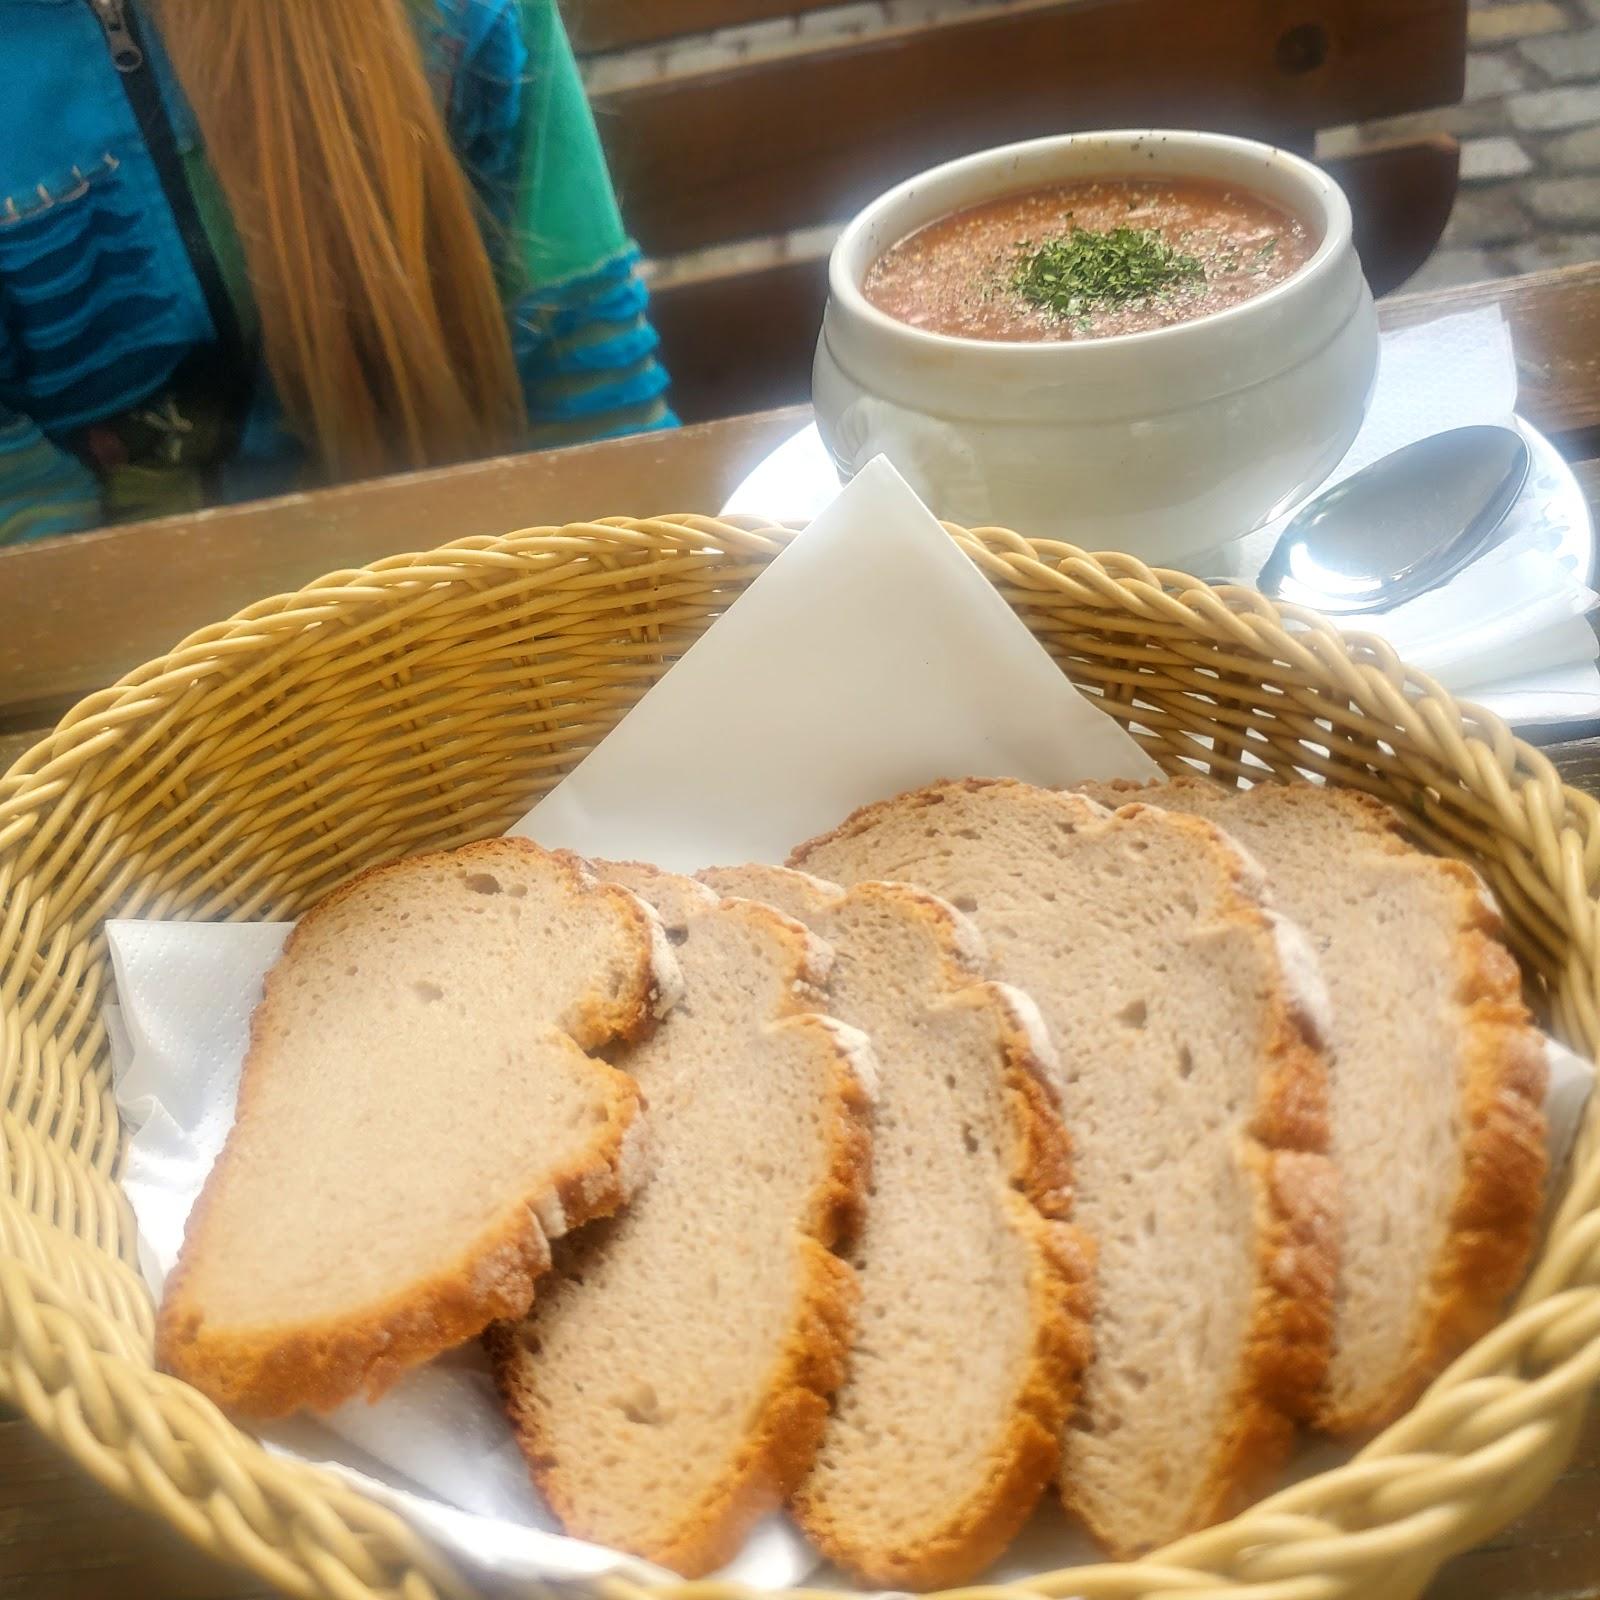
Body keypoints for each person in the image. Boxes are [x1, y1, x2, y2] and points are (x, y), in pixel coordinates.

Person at [0, 0, 675, 544]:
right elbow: (20, 524)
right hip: (103, 663)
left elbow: (590, 396)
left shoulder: (454, 18)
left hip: (445, 606)